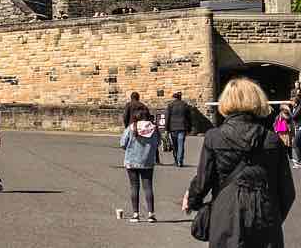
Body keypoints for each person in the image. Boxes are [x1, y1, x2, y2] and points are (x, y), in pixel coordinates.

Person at [184, 77, 295, 247]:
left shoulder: (214, 137)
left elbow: (203, 180)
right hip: (265, 214)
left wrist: (193, 201)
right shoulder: (272, 140)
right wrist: (272, 215)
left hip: (226, 213)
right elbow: (287, 191)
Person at [120, 105, 160, 223]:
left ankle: (136, 214)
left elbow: (122, 143)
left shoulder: (131, 127)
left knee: (134, 187)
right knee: (148, 187)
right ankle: (151, 214)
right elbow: (158, 143)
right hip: (147, 161)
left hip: (132, 161)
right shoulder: (154, 128)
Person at [164, 91, 193, 167]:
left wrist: (166, 129)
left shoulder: (170, 105)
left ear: (174, 97)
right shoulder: (185, 105)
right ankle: (180, 160)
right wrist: (189, 128)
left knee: (175, 145)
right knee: (181, 145)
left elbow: (167, 118)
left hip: (173, 128)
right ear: (180, 97)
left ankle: (176, 160)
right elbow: (189, 118)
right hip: (182, 127)